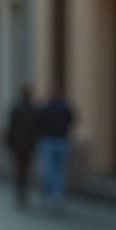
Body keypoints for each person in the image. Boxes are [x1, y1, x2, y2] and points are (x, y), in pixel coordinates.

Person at [37, 82, 75, 212]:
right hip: (61, 140)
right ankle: (57, 196)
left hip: (49, 140)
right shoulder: (65, 107)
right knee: (59, 171)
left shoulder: (47, 107)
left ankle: (50, 195)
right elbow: (71, 120)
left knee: (49, 170)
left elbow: (40, 122)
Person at [4, 83, 39, 208]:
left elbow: (11, 128)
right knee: (25, 170)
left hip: (18, 146)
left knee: (19, 170)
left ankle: (20, 194)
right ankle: (22, 194)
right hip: (28, 146)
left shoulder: (17, 109)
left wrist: (8, 144)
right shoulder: (33, 110)